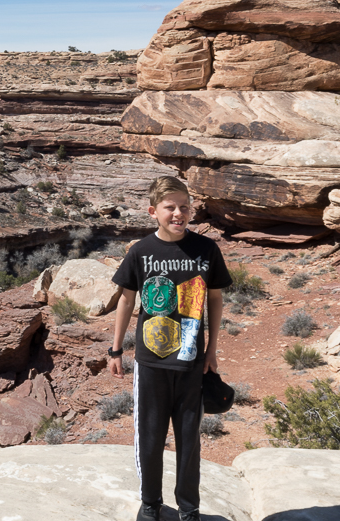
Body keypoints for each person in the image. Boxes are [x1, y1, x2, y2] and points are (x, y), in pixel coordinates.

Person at [107, 175, 231, 521]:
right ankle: (150, 505)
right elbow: (126, 300)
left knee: (189, 440)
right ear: (153, 211)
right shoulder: (141, 251)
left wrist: (212, 350)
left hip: (191, 362)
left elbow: (215, 299)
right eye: (170, 207)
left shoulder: (206, 250)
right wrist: (116, 350)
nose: (179, 213)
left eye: (184, 207)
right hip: (150, 362)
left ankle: (189, 510)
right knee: (150, 436)